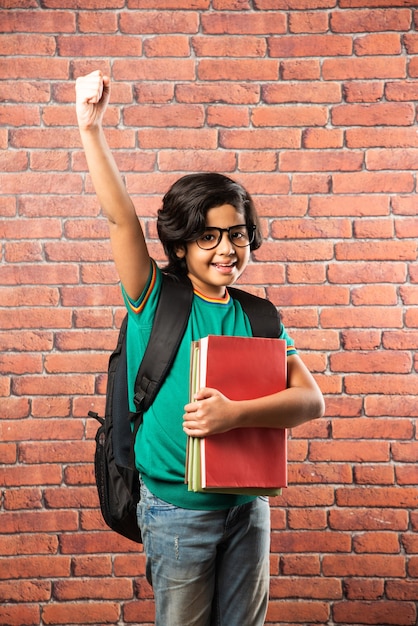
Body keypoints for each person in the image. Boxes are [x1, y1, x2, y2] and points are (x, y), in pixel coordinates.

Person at [75, 69, 325, 626]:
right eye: (208, 237)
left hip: (248, 509)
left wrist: (234, 415)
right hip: (175, 513)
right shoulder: (154, 299)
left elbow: (311, 401)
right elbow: (120, 219)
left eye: (236, 234)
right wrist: (90, 128)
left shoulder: (259, 315)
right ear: (182, 245)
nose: (226, 249)